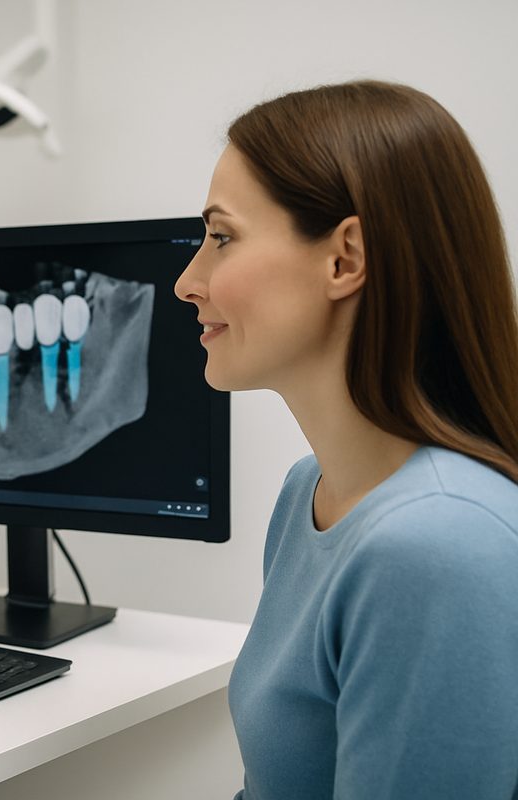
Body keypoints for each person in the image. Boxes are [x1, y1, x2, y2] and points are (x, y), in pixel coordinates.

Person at [175, 80, 518, 798]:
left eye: (221, 238)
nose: (187, 281)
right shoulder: (311, 490)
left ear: (345, 258)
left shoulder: (440, 544)